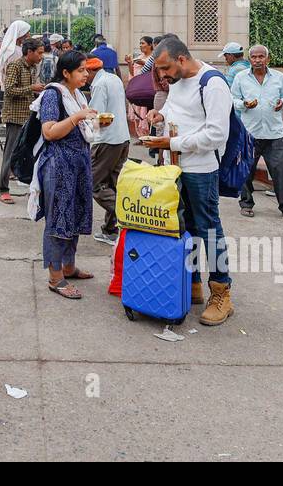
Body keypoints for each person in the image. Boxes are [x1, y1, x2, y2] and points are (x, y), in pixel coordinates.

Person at [140, 35, 235, 326]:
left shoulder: (213, 83)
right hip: (174, 166)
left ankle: (221, 292)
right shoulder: (178, 81)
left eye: (166, 69)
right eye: (159, 72)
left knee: (208, 228)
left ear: (181, 59)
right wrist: (159, 116)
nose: (164, 77)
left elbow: (217, 135)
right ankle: (192, 282)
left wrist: (173, 143)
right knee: (184, 226)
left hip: (201, 169)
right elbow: (174, 111)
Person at [30, 49, 97, 299]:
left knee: (76, 213)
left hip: (78, 163)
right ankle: (55, 276)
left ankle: (69, 266)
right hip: (59, 165)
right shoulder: (52, 94)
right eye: (81, 70)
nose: (86, 74)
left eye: (86, 70)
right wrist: (78, 116)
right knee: (58, 218)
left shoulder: (77, 94)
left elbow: (82, 126)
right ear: (66, 73)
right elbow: (49, 132)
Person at [230, 44, 283, 221]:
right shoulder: (240, 77)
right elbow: (233, 98)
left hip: (274, 133)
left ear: (267, 59)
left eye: (261, 57)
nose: (258, 60)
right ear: (249, 59)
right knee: (245, 170)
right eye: (254, 57)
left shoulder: (279, 77)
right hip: (250, 133)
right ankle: (246, 204)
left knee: (280, 170)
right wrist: (244, 104)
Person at [88, 54, 130, 243]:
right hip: (122, 138)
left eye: (83, 72)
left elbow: (99, 118)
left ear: (90, 70)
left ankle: (126, 216)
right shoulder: (113, 78)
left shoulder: (99, 84)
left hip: (107, 141)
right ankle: (111, 230)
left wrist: (83, 128)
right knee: (114, 185)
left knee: (95, 185)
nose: (82, 77)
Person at [0, 38, 44, 204]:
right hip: (15, 117)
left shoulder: (32, 68)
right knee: (10, 154)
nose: (41, 56)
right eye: (39, 52)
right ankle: (3, 189)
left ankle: (30, 187)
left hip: (28, 115)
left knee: (28, 153)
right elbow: (9, 90)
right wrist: (31, 88)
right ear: (29, 52)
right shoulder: (15, 66)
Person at [0, 19, 31, 97]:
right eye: (27, 32)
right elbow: (15, 72)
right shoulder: (13, 51)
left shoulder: (11, 48)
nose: (29, 35)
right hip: (14, 92)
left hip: (8, 89)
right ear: (20, 34)